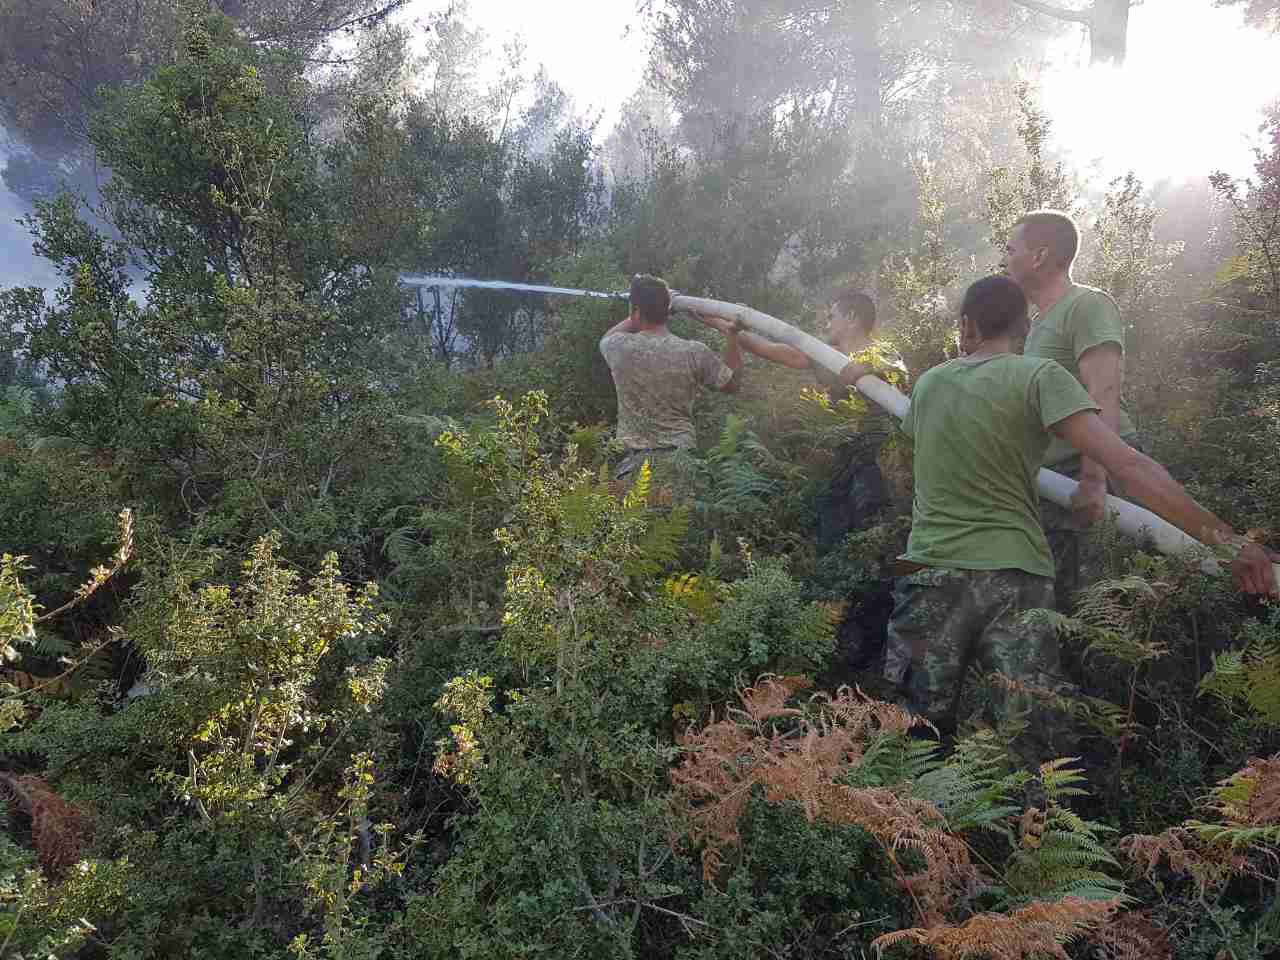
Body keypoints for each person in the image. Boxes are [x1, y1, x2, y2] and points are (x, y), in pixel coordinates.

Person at [852, 275, 1274, 764]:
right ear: (1025, 328)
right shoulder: (1038, 377)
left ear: (965, 326)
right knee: (1037, 746)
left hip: (927, 573)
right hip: (1013, 580)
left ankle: (909, 835)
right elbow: (1131, 467)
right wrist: (1226, 541)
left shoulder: (929, 384)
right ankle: (1037, 834)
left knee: (908, 738)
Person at [697, 288, 907, 551]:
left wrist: (867, 367)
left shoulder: (883, 352)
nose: (826, 323)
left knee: (875, 526)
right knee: (833, 532)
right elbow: (767, 348)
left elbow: (899, 370)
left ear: (852, 317)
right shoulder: (823, 356)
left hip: (879, 457)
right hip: (842, 455)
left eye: (832, 317)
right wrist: (722, 324)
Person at [1003, 209, 1139, 609]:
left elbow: (1104, 390)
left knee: (1099, 607)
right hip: (1053, 480)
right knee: (1053, 602)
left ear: (1040, 256)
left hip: (1091, 469)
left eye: (1012, 249)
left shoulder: (1087, 305)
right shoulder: (1038, 323)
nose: (1005, 259)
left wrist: (1095, 478)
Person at [599, 274, 742, 483]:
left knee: (635, 516)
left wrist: (636, 312)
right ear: (667, 312)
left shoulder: (618, 347)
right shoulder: (694, 352)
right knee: (679, 516)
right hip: (681, 463)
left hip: (633, 467)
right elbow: (733, 384)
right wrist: (732, 336)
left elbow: (607, 337)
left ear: (636, 312)